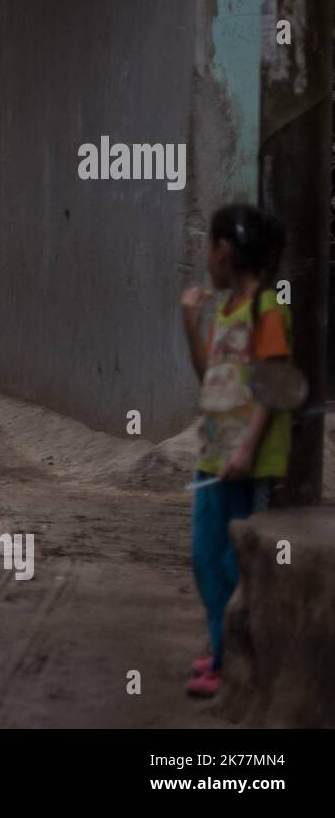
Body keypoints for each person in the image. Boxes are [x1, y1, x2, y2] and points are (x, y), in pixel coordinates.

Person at [179, 203, 290, 699]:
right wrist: (190, 324)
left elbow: (272, 388)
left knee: (234, 562)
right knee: (206, 557)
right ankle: (222, 648)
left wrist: (246, 449)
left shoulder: (267, 312)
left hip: (247, 464)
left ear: (224, 250)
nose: (206, 258)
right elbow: (209, 381)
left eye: (209, 247)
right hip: (212, 459)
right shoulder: (224, 313)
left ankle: (229, 661)